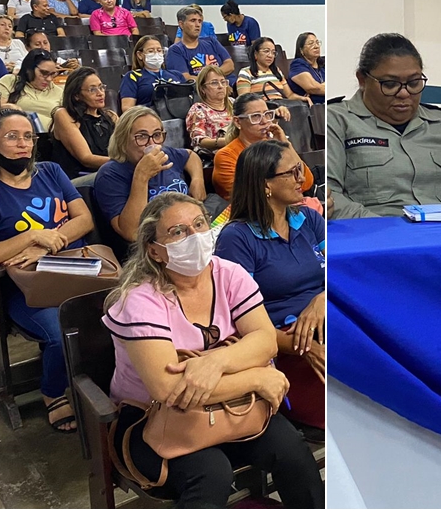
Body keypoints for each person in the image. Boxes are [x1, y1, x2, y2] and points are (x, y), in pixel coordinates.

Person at [102, 192, 324, 507]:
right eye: (177, 232)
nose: (194, 237)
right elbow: (169, 390)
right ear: (155, 251)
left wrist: (214, 361)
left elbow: (264, 340)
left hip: (233, 407)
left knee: (292, 451)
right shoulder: (140, 300)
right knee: (212, 472)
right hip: (153, 421)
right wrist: (257, 380)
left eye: (199, 224)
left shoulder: (228, 273)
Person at [0, 108, 95, 433]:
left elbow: (84, 219)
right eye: (11, 136)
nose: (23, 144)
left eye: (28, 137)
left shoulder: (50, 171)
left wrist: (47, 244)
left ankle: (104, 378)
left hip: (75, 267)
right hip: (26, 287)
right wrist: (32, 236)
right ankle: (52, 393)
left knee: (120, 308)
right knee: (59, 329)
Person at [215, 140, 325, 432]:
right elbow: (239, 323)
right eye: (292, 173)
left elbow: (341, 273)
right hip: (281, 346)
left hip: (326, 326)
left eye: (300, 168)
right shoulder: (237, 238)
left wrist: (322, 299)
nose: (302, 178)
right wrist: (304, 347)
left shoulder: (309, 219)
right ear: (265, 184)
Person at [328, 34, 441, 218]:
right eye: (390, 84)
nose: (404, 93)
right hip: (375, 237)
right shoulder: (337, 121)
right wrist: (390, 231)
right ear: (362, 80)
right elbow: (331, 197)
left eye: (413, 83)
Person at [94, 106, 206, 244]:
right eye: (142, 136)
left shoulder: (165, 154)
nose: (152, 143)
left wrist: (197, 179)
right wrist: (141, 176)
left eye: (157, 135)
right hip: (153, 246)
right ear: (122, 140)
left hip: (188, 231)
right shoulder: (110, 174)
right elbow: (132, 233)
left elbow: (190, 155)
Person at [213, 94, 312, 200]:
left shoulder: (274, 146)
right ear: (238, 122)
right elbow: (247, 194)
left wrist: (286, 144)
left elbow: (306, 182)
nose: (264, 121)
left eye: (267, 114)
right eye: (255, 116)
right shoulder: (226, 156)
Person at [50, 67, 118, 178]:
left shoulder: (111, 116)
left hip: (110, 172)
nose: (100, 93)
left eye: (101, 87)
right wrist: (125, 164)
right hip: (78, 180)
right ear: (76, 95)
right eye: (92, 90)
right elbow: (86, 159)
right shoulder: (64, 115)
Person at [165, 6, 234, 83]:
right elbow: (186, 78)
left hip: (228, 85)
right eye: (193, 20)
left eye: (200, 21)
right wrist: (215, 81)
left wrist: (214, 78)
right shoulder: (175, 50)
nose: (198, 25)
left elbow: (229, 65)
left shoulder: (211, 42)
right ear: (181, 24)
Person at [120, 35, 187, 110]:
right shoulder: (132, 77)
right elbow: (127, 109)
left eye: (159, 50)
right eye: (151, 51)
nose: (156, 54)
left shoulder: (177, 74)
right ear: (140, 55)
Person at [0, 49, 64, 122]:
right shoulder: (10, 81)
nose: (49, 79)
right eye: (44, 73)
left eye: (52, 74)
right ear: (29, 69)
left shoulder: (58, 91)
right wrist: (13, 109)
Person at [236, 37, 309, 102]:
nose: (270, 55)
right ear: (255, 54)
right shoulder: (246, 73)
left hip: (282, 108)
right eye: (266, 51)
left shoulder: (276, 71)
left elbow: (289, 95)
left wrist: (303, 98)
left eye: (273, 52)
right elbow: (244, 102)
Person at [187, 65, 234, 154]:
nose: (221, 86)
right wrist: (227, 141)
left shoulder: (234, 103)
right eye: (214, 83)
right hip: (215, 155)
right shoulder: (198, 109)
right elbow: (198, 141)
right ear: (203, 89)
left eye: (223, 82)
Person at [287, 32, 325, 104]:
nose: (316, 46)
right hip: (313, 108)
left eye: (317, 43)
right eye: (311, 44)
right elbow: (313, 88)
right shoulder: (297, 64)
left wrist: (320, 86)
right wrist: (322, 86)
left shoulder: (323, 63)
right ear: (301, 50)